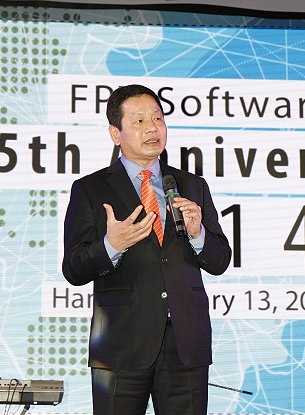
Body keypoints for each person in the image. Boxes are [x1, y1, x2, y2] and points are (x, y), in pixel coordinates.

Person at [62, 84, 232, 415]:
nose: (152, 128)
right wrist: (112, 245)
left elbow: (220, 260)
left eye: (158, 118)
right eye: (139, 121)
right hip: (121, 345)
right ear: (116, 133)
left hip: (185, 344)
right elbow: (74, 267)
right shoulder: (90, 189)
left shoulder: (192, 185)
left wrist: (197, 234)